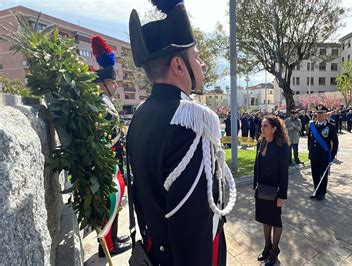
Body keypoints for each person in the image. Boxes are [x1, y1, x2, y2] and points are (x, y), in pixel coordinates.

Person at [126, 2, 236, 265]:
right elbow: (193, 227)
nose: (203, 63)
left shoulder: (140, 115)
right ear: (178, 65)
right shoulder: (192, 123)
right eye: (196, 56)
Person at [90, 35, 131, 257]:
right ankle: (108, 246)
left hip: (113, 161)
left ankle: (113, 238)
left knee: (113, 203)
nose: (116, 85)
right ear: (104, 83)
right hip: (109, 164)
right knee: (110, 201)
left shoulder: (105, 103)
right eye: (113, 82)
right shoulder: (102, 105)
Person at [253, 115, 289, 265]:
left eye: (265, 126)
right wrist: (255, 185)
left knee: (275, 220)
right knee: (264, 218)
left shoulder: (282, 145)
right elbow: (257, 166)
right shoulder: (261, 142)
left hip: (275, 189)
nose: (262, 128)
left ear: (274, 129)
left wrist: (282, 195)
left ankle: (275, 250)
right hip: (262, 189)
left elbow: (284, 172)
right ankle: (267, 246)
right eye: (262, 125)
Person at [308, 104, 339, 201]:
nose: (319, 115)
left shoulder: (330, 127)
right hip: (314, 155)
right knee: (315, 174)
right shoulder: (312, 126)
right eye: (318, 113)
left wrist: (332, 155)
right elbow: (310, 140)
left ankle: (322, 192)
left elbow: (335, 142)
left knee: (323, 174)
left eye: (322, 113)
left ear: (326, 114)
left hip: (324, 156)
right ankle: (316, 190)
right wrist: (310, 150)